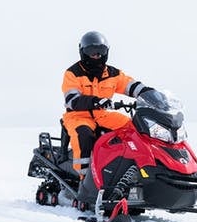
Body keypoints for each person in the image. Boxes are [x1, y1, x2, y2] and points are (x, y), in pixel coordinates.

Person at [62, 31, 152, 179]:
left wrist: (148, 93)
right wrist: (95, 101)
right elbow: (72, 100)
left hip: (102, 115)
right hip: (78, 116)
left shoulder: (112, 73)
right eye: (92, 52)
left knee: (134, 129)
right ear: (84, 53)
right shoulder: (73, 73)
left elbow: (130, 85)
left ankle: (135, 170)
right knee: (84, 135)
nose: (96, 56)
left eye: (100, 52)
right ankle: (84, 179)